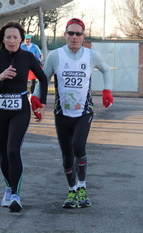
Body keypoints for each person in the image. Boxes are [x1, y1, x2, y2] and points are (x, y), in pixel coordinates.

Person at [31, 18, 113, 208]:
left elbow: (106, 70)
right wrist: (36, 99)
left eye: (78, 34)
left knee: (78, 147)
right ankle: (72, 190)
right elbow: (43, 80)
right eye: (70, 33)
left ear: (83, 36)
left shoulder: (91, 55)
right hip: (61, 112)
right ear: (65, 35)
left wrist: (107, 90)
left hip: (84, 111)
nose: (74, 37)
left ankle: (83, 186)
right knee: (67, 155)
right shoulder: (55, 55)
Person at [0, 21, 47, 212]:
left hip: (20, 109)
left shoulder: (27, 56)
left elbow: (42, 78)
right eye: (8, 37)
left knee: (12, 150)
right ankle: (9, 189)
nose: (11, 41)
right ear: (3, 38)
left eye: (15, 37)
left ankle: (16, 196)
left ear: (21, 39)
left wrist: (40, 103)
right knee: (3, 153)